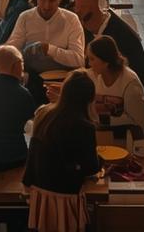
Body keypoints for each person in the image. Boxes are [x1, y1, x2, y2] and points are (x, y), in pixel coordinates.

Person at [22, 70, 100, 232]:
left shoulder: (44, 113)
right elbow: (91, 167)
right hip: (66, 193)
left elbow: (33, 149)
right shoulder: (84, 126)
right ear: (89, 98)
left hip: (40, 192)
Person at [72, 0, 144, 97]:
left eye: (85, 17)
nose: (82, 23)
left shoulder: (121, 36)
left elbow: (114, 75)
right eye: (78, 15)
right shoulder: (92, 27)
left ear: (99, 10)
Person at [6, 0, 85, 77]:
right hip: (30, 77)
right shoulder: (25, 17)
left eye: (52, 0)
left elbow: (79, 60)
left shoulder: (71, 19)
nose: (46, 6)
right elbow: (12, 51)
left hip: (62, 80)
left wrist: (49, 49)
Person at [87, 35, 144, 132]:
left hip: (125, 136)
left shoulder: (130, 83)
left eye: (92, 59)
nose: (89, 64)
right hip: (101, 131)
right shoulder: (94, 75)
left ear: (105, 62)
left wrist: (102, 120)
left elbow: (139, 121)